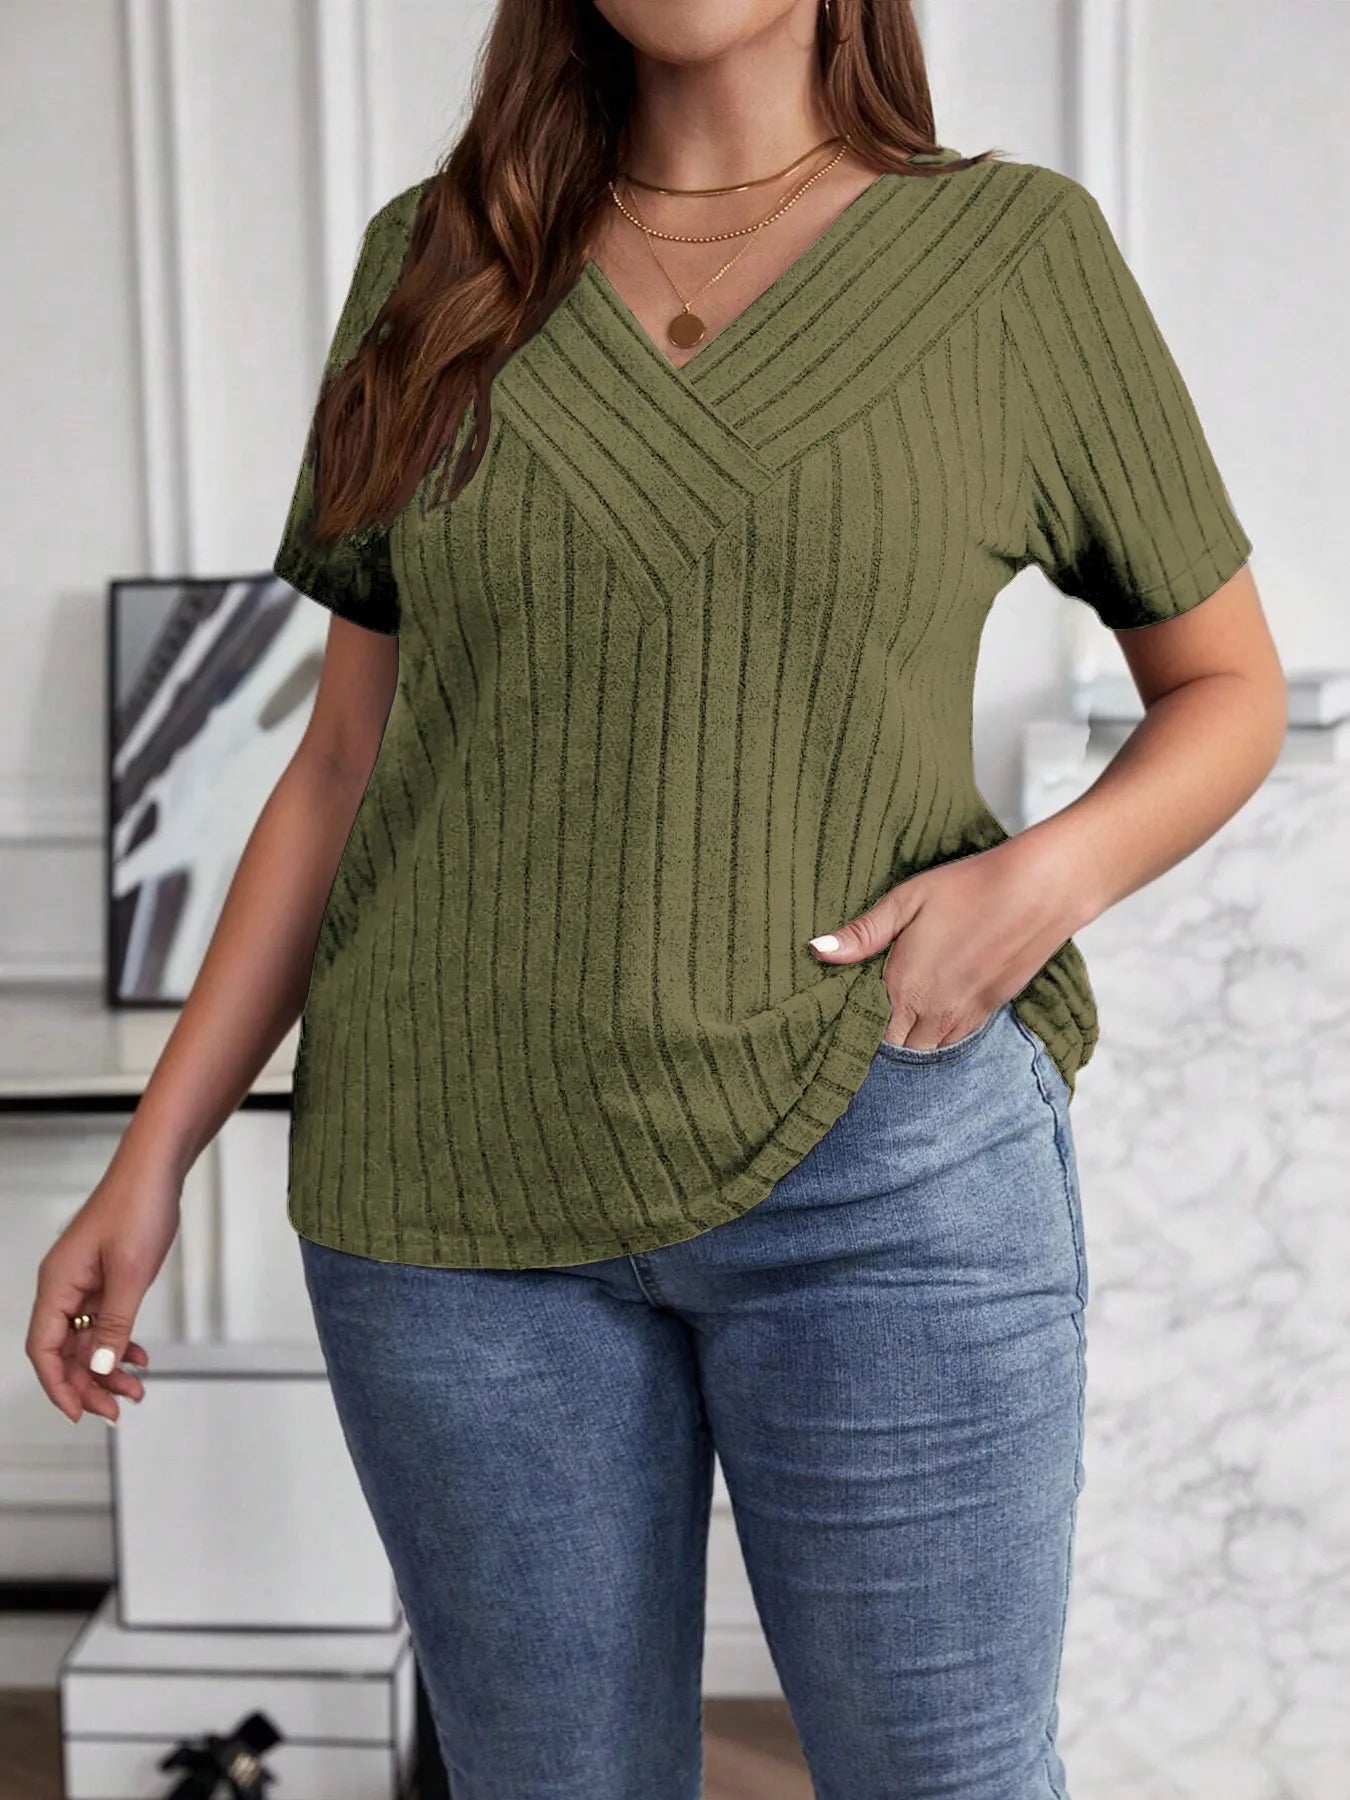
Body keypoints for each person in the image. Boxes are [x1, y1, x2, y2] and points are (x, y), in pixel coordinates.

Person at [28, 1, 1285, 1794]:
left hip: (880, 1166)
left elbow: (1225, 687)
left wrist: (1037, 883)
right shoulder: (434, 261)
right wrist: (152, 1157)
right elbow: (337, 765)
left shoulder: (1012, 259)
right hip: (449, 1199)